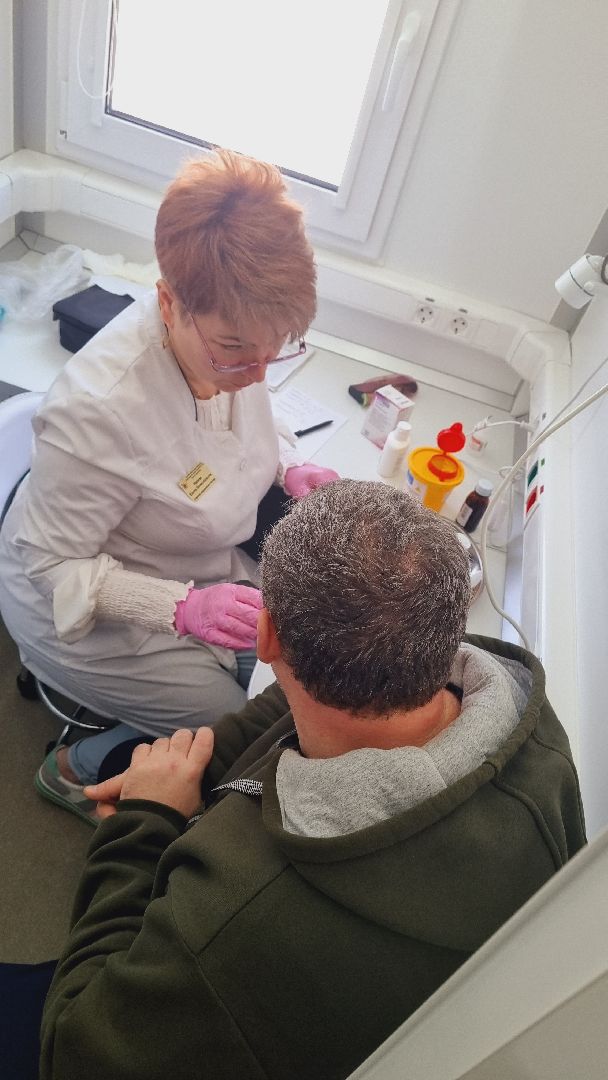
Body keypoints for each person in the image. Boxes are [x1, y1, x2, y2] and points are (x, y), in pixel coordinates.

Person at [39, 480, 586, 1080]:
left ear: (265, 635)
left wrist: (143, 828)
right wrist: (200, 760)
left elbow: (70, 1051)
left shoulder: (229, 929)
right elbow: (289, 707)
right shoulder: (527, 726)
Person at [0, 148, 337, 819]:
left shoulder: (228, 348)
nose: (258, 372)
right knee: (237, 724)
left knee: (292, 659)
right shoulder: (99, 411)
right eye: (236, 349)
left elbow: (244, 425)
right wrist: (181, 610)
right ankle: (79, 769)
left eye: (275, 347)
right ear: (167, 302)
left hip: (190, 555)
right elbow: (48, 565)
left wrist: (285, 467)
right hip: (77, 602)